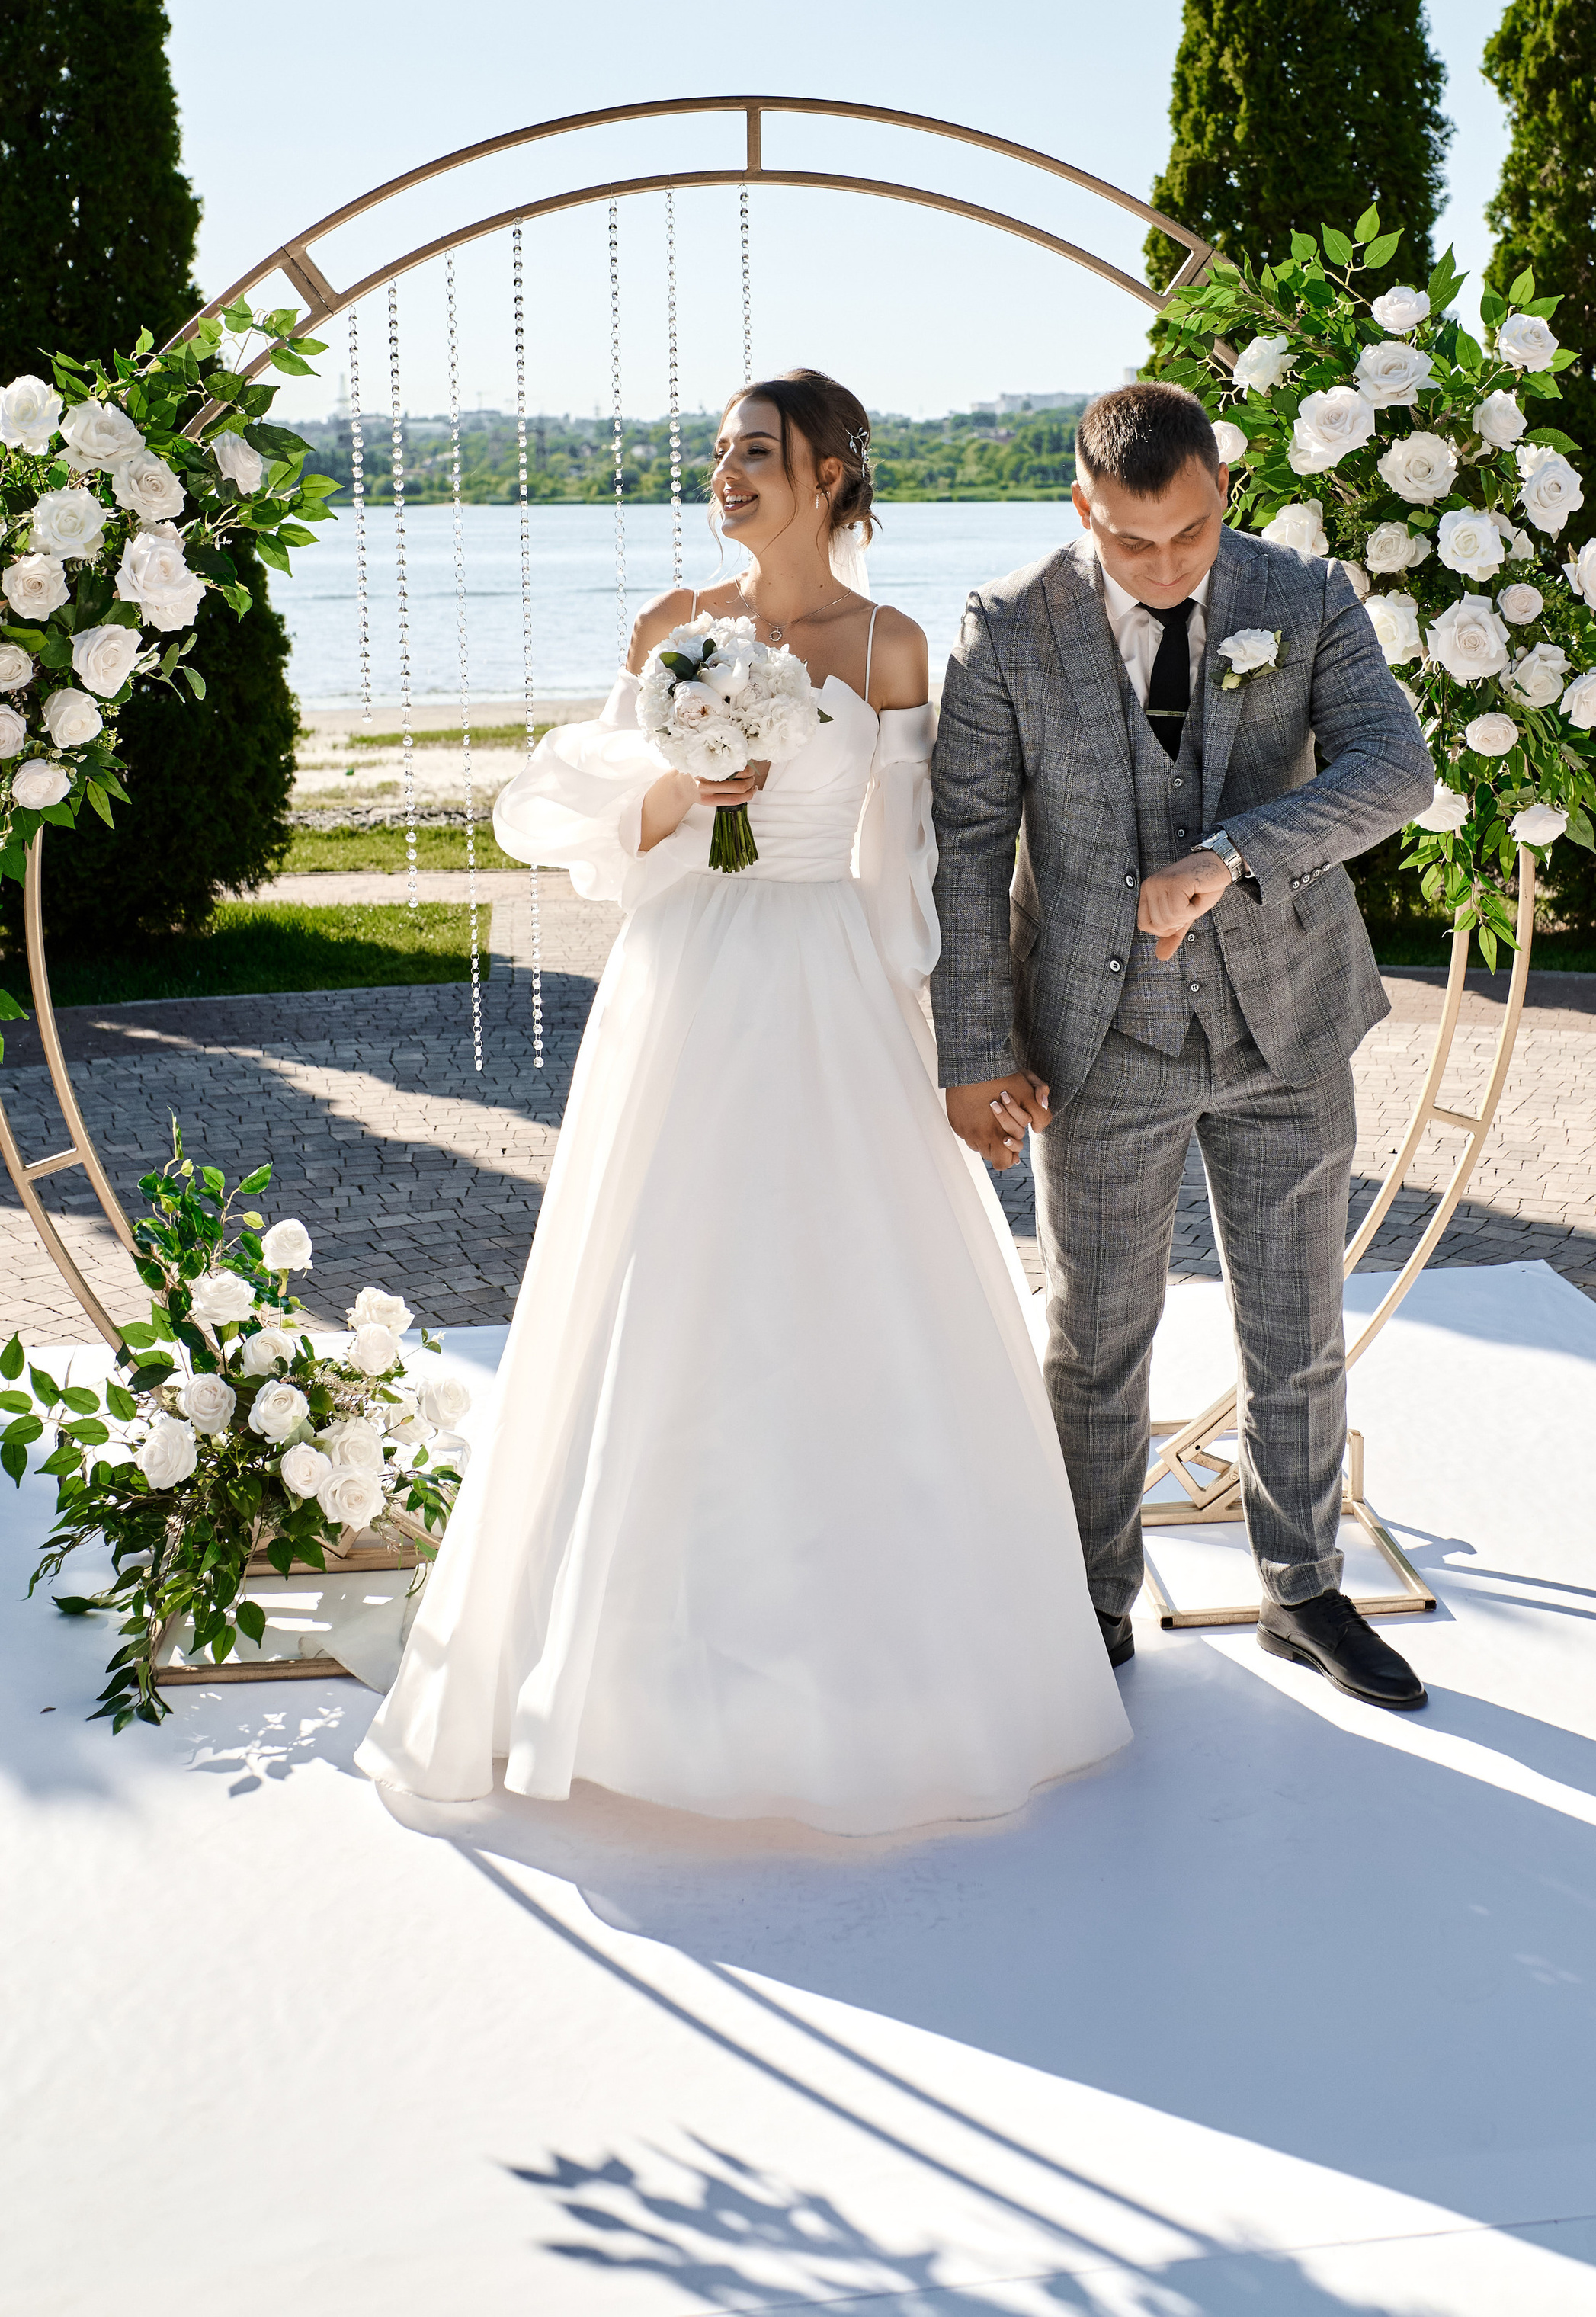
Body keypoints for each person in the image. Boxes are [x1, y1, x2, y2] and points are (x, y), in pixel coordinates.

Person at [357, 370, 1130, 1834]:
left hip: (827, 980)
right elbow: (556, 807)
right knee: (661, 1281)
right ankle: (628, 1680)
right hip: (684, 979)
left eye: (758, 453)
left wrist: (945, 1034)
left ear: (833, 472)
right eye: (720, 454)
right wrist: (679, 794)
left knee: (843, 1293)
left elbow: (914, 866)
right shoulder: (672, 628)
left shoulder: (893, 646)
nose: (731, 474)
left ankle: (875, 1671)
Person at [931, 381, 1436, 1707]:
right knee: (1094, 1330)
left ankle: (1303, 1588)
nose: (1162, 569)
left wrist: (1230, 853)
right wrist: (973, 1046)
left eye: (1191, 535)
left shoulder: (1307, 592)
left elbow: (1397, 767)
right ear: (1080, 508)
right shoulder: (1004, 625)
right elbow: (971, 852)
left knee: (1296, 1315)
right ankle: (1090, 1598)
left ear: (1227, 491)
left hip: (1288, 1022)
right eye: (1129, 542)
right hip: (1099, 1037)